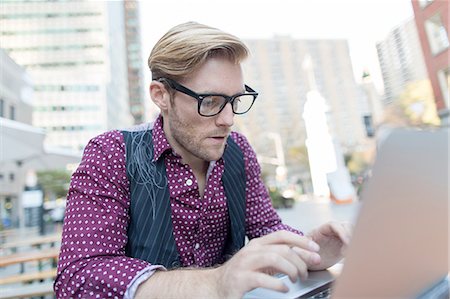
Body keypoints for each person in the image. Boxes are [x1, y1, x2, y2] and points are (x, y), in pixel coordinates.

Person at [54, 22, 352, 299]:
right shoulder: (111, 154)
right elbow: (78, 277)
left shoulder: (239, 150)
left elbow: (267, 230)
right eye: (210, 101)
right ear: (161, 96)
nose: (229, 119)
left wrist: (310, 250)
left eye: (235, 100)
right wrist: (216, 281)